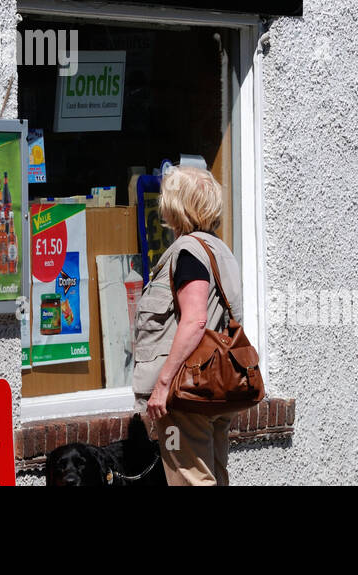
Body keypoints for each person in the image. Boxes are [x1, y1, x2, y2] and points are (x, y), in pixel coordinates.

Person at [133, 163, 243, 486]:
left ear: (177, 206)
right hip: (217, 387)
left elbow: (195, 320)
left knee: (189, 481)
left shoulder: (187, 252)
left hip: (187, 394)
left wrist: (163, 383)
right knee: (214, 478)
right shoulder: (220, 251)